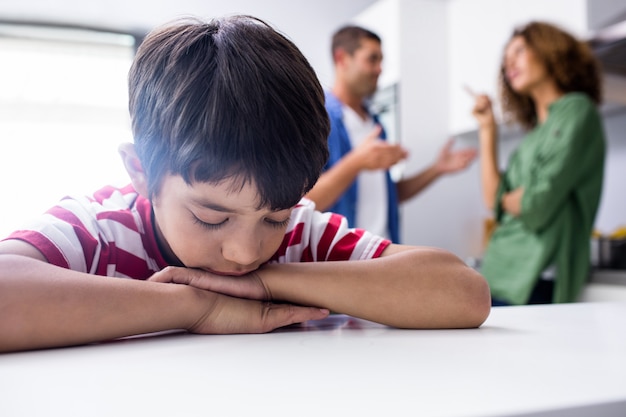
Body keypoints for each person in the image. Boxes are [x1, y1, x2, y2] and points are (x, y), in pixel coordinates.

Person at [0, 16, 490, 352]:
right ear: (141, 173)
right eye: (211, 217)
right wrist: (193, 306)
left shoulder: (301, 236)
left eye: (274, 215)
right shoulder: (101, 232)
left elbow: (464, 294)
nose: (244, 250)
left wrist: (263, 283)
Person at [470, 21, 605, 306]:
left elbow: (536, 207)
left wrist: (511, 201)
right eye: (506, 60)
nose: (510, 64)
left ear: (549, 50)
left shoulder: (577, 110)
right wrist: (487, 129)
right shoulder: (534, 136)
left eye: (519, 51)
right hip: (496, 273)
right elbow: (491, 198)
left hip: (533, 279)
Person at [305, 25, 477, 242]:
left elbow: (388, 197)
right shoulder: (318, 118)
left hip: (382, 254)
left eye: (381, 61)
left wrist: (437, 169)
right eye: (372, 59)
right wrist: (357, 162)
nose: (380, 69)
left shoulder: (376, 125)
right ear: (342, 59)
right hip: (341, 265)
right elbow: (304, 203)